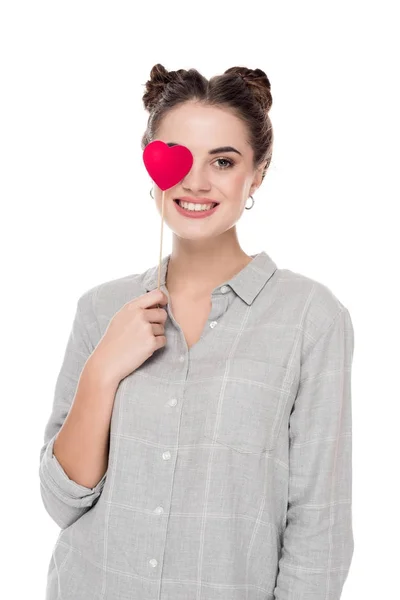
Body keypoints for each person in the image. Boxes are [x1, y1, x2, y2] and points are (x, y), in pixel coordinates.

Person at [39, 64, 355, 600]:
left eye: (224, 161)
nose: (196, 182)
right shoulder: (101, 308)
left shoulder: (311, 317)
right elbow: (61, 502)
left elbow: (319, 525)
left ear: (257, 174)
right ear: (151, 165)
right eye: (179, 157)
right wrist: (103, 369)